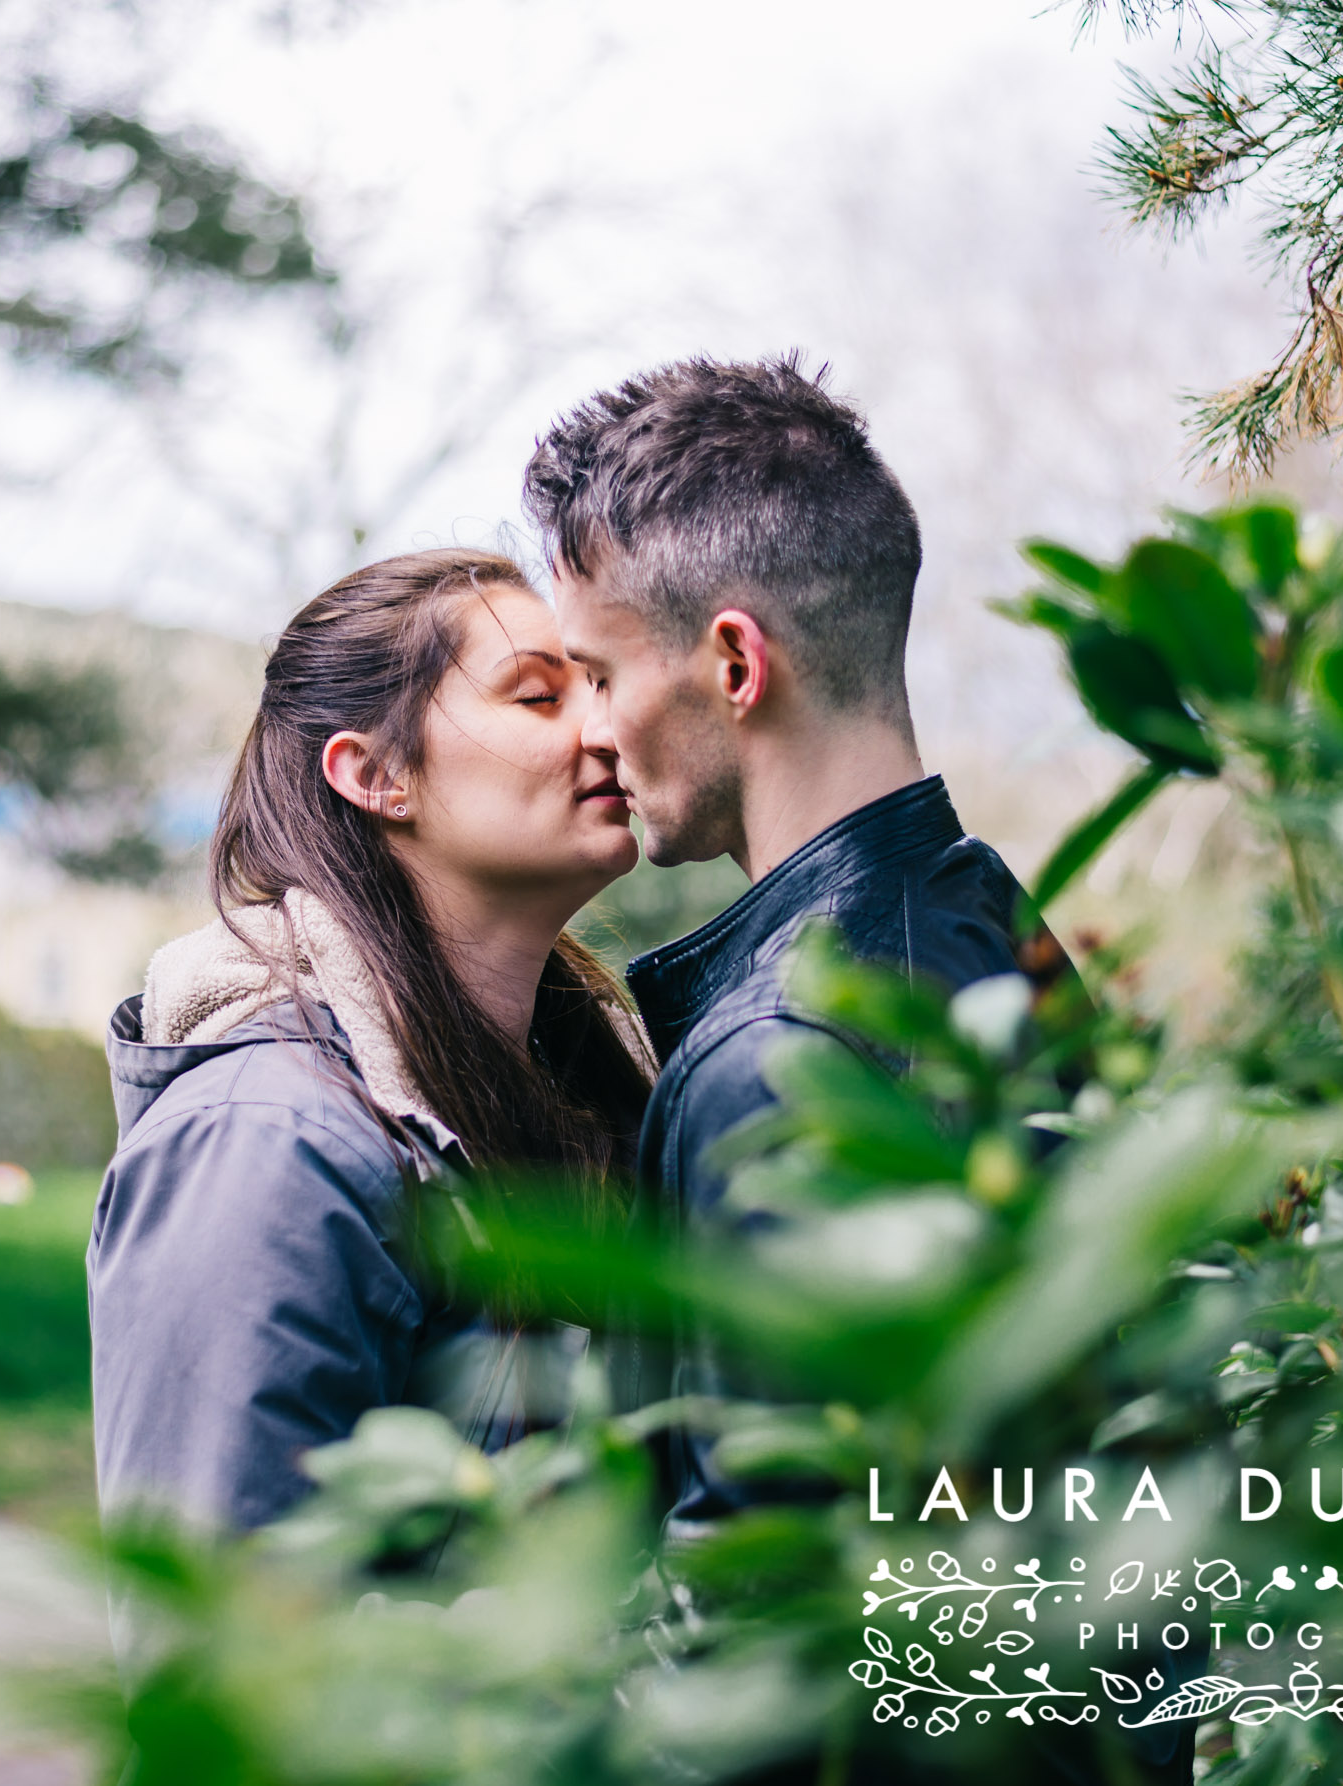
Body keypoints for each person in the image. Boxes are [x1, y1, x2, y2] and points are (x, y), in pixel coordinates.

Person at [523, 357, 1190, 1784]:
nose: (586, 726)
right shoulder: (987, 924)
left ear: (733, 663)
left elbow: (769, 1638)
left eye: (596, 671)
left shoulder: (781, 1061)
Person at [87, 547, 653, 1533]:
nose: (607, 728)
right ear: (376, 773)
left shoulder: (589, 1093)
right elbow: (229, 1649)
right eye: (536, 695)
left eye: (597, 685)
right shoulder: (264, 1143)